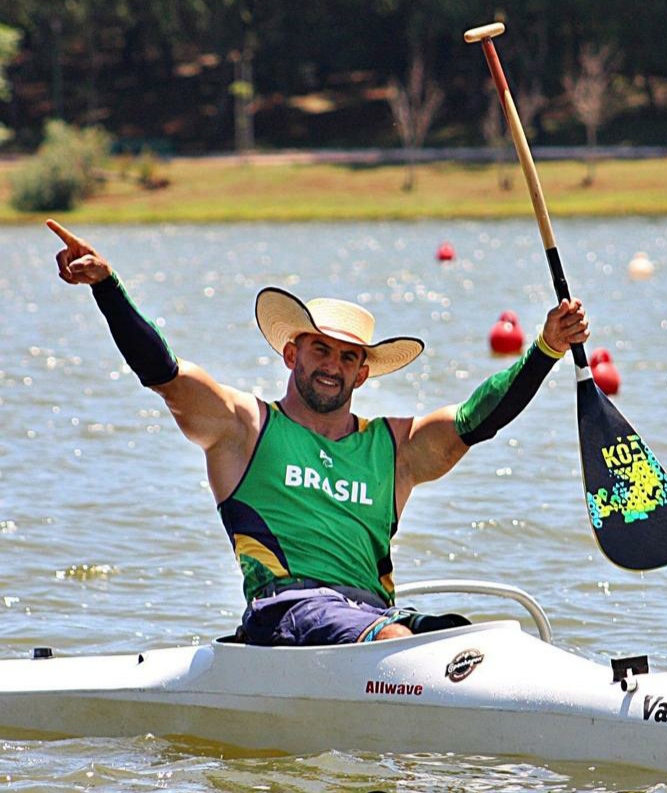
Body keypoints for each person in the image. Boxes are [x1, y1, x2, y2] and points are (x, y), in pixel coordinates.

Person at [47, 218, 590, 646]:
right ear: (292, 353)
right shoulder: (244, 428)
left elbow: (478, 418)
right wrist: (107, 287)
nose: (331, 365)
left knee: (475, 640)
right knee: (396, 641)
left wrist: (545, 349)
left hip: (373, 616)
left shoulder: (394, 449)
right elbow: (164, 374)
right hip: (283, 613)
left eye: (347, 356)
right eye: (319, 349)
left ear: (363, 372)